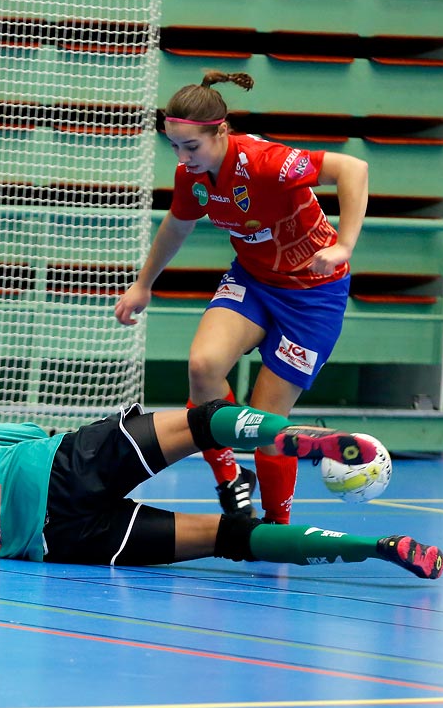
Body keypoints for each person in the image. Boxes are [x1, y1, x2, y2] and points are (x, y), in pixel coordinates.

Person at [114, 71, 370, 526]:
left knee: (267, 420)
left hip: (313, 294)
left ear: (222, 132)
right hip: (253, 281)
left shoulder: (266, 161)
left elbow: (353, 168)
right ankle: (231, 477)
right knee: (203, 366)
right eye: (174, 146)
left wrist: (344, 245)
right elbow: (177, 224)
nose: (182, 156)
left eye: (191, 146)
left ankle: (277, 524)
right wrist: (143, 283)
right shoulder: (191, 176)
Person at [0, 400, 443, 579]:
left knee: (227, 537)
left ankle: (375, 546)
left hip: (61, 540)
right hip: (58, 469)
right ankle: (299, 437)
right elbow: (24, 431)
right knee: (200, 423)